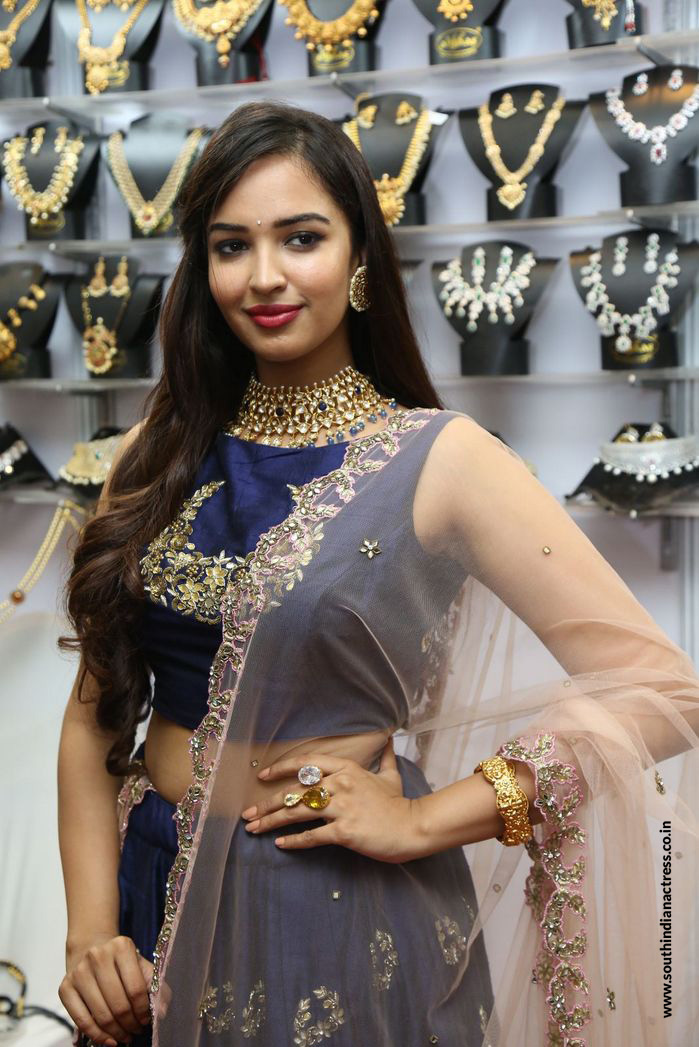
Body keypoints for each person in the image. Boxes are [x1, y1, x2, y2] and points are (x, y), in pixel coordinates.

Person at [57, 100, 699, 1047]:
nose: (263, 276)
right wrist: (88, 931)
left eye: (301, 238)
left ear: (359, 257)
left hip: (335, 909)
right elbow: (94, 713)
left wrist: (427, 819)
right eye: (231, 246)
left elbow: (664, 689)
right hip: (150, 887)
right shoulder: (155, 448)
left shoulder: (440, 459)